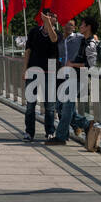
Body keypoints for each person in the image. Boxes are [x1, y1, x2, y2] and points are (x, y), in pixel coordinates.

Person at [50, 15, 101, 150]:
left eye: (83, 25)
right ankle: (87, 124)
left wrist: (72, 64)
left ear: (88, 27)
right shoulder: (84, 40)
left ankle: (61, 137)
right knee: (61, 107)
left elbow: (90, 65)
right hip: (72, 77)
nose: (80, 27)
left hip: (79, 78)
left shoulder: (90, 44)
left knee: (66, 108)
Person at [23, 9, 60, 142]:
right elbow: (28, 50)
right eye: (49, 16)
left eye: (53, 17)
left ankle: (50, 131)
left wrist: (48, 24)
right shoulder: (34, 32)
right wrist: (25, 69)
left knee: (50, 106)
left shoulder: (58, 33)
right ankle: (29, 132)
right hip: (33, 71)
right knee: (30, 105)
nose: (51, 18)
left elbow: (53, 39)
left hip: (49, 73)